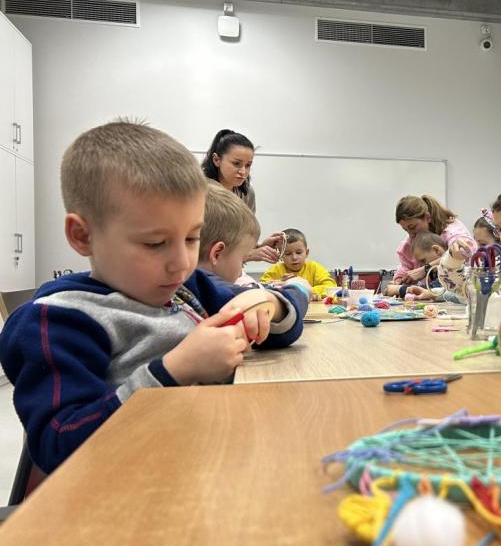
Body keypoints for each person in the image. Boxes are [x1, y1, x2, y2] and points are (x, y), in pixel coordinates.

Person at [0, 120, 308, 473]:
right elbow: (61, 448)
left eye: (192, 238)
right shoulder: (58, 322)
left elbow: (284, 328)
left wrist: (267, 304)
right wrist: (175, 369)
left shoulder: (187, 287)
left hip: (212, 462)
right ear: (82, 235)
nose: (181, 263)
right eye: (155, 243)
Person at [200, 128, 283, 263]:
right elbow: (201, 248)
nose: (243, 171)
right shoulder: (201, 190)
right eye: (236, 163)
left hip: (230, 271)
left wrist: (259, 247)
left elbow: (237, 241)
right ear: (216, 160)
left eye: (248, 165)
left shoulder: (247, 194)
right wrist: (250, 254)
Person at [387, 195, 475, 293]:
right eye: (405, 230)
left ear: (427, 217)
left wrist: (425, 269)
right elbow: (405, 266)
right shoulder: (409, 243)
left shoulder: (453, 232)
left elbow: (463, 254)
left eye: (412, 227)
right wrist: (399, 279)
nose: (411, 234)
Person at [197, 184, 261, 287]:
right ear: (217, 254)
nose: (241, 272)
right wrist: (295, 286)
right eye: (242, 262)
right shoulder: (214, 293)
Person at [260, 228, 337, 301]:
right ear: (280, 255)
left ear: (306, 253)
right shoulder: (276, 270)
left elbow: (331, 287)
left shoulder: (314, 267)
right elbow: (261, 288)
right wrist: (281, 283)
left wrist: (301, 289)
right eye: (288, 254)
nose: (294, 257)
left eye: (299, 253)